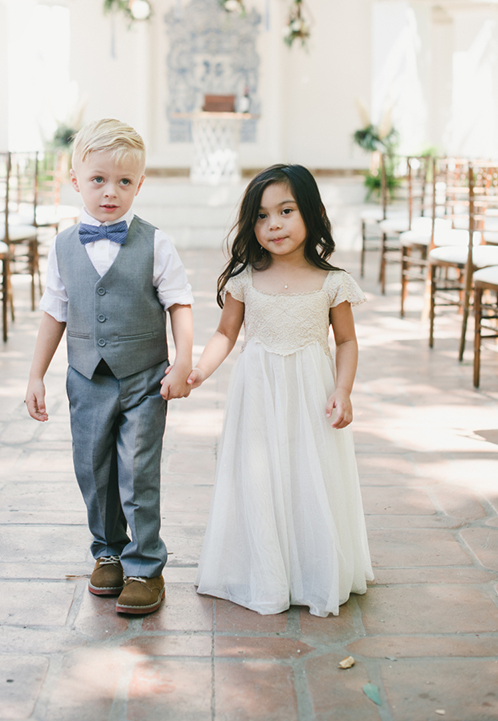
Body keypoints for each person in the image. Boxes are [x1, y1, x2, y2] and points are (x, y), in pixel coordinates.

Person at [187, 164, 373, 616]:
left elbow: (346, 341)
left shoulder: (332, 283)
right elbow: (226, 335)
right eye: (262, 215)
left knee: (310, 476)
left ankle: (314, 569)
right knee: (261, 475)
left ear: (309, 213)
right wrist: (199, 371)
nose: (274, 224)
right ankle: (265, 569)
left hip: (312, 393)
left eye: (286, 211)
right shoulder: (246, 280)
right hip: (259, 393)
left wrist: (343, 390)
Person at [25, 119, 193, 615]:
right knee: (93, 469)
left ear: (139, 185)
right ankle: (107, 552)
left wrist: (183, 359)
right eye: (98, 179)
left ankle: (144, 564)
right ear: (75, 180)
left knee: (138, 470)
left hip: (146, 378)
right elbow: (55, 311)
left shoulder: (156, 243)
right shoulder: (61, 247)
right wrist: (36, 374)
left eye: (124, 182)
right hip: (86, 378)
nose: (110, 192)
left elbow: (179, 303)